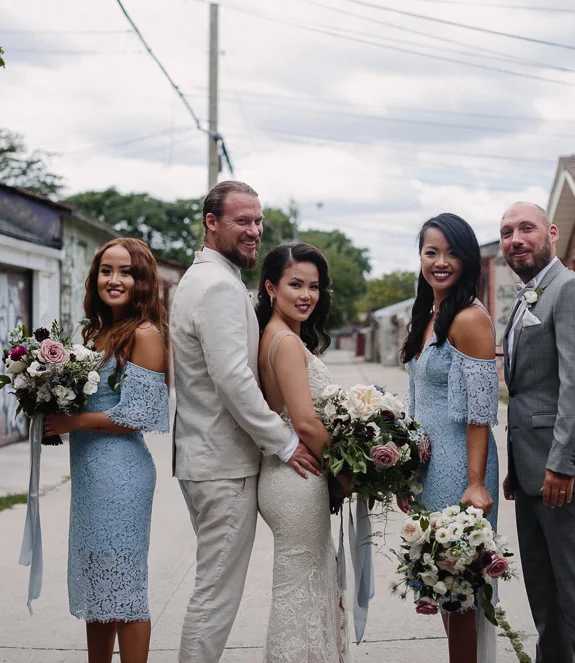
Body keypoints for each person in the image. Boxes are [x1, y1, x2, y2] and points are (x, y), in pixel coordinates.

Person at [170, 181, 321, 663]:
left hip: (208, 459)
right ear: (211, 222)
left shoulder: (206, 279)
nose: (254, 230)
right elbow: (233, 380)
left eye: (258, 220)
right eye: (242, 220)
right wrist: (284, 443)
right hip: (222, 466)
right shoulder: (215, 286)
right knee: (216, 595)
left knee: (215, 590)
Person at [41, 237, 170, 663]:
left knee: (125, 588)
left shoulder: (144, 334)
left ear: (143, 280)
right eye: (106, 270)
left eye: (126, 272)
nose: (114, 280)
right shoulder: (95, 333)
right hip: (91, 476)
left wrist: (72, 421)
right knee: (97, 584)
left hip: (122, 476)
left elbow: (138, 413)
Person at [499, 201, 575, 663]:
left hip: (568, 477)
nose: (515, 239)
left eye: (525, 228)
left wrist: (560, 465)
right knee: (546, 600)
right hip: (532, 474)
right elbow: (530, 391)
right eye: (506, 232)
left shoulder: (571, 291)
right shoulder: (530, 295)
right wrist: (516, 464)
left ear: (550, 232)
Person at [401, 213, 500, 663]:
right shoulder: (429, 312)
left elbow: (480, 413)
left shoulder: (469, 319)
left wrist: (475, 482)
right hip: (431, 466)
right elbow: (418, 400)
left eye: (452, 253)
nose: (441, 262)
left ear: (468, 259)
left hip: (462, 465)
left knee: (462, 587)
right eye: (431, 252)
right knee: (442, 581)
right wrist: (407, 470)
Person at [255, 242, 349, 662]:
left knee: (303, 588)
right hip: (298, 479)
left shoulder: (276, 335)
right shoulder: (286, 343)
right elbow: (306, 422)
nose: (306, 295)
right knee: (301, 592)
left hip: (289, 477)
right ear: (271, 287)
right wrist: (351, 471)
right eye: (296, 284)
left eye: (314, 286)